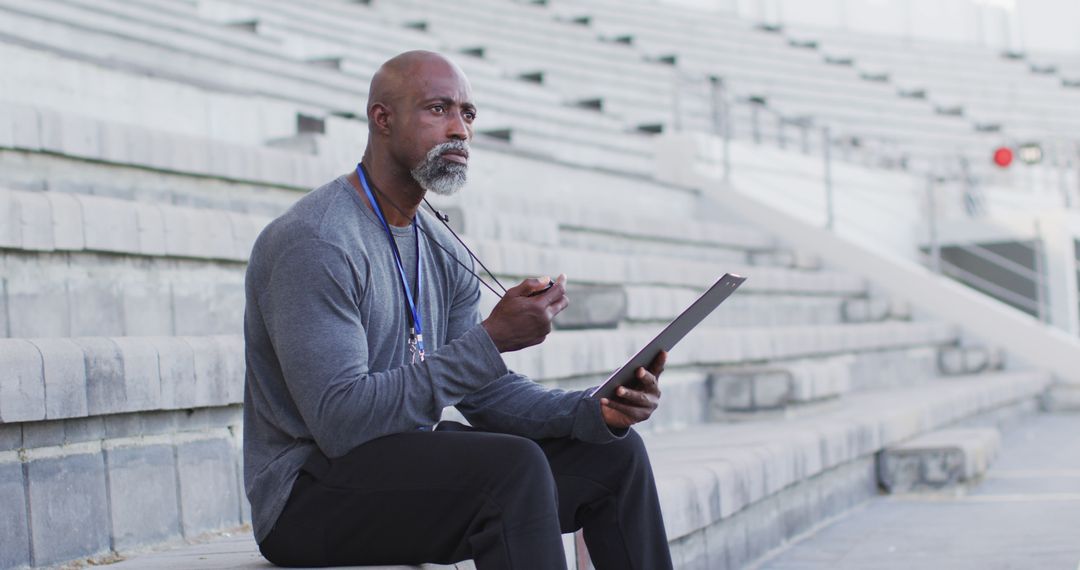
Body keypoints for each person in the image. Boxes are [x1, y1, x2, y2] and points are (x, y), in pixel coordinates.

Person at [243, 50, 673, 569]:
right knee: (509, 469)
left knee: (613, 456)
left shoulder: (441, 244)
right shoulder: (317, 240)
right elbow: (342, 423)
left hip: (399, 463)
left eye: (467, 114)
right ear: (383, 118)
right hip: (307, 495)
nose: (460, 130)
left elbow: (483, 392)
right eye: (438, 109)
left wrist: (592, 409)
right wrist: (489, 340)